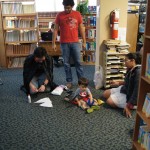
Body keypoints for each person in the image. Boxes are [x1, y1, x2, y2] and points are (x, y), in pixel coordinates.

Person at [52, 0, 86, 89]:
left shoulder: (77, 14)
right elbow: (55, 29)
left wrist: (84, 41)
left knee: (78, 62)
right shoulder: (59, 15)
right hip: (64, 43)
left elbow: (81, 28)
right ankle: (69, 81)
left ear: (72, 6)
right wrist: (53, 42)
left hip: (75, 42)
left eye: (68, 7)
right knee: (66, 63)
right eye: (65, 7)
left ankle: (81, 82)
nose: (67, 9)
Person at [103, 52, 142, 118]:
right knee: (105, 94)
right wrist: (118, 83)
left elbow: (136, 92)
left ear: (133, 61)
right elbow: (128, 82)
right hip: (125, 89)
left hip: (130, 95)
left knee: (109, 101)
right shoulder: (131, 68)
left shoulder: (138, 72)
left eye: (126, 60)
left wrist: (128, 106)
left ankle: (133, 106)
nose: (124, 63)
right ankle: (119, 98)